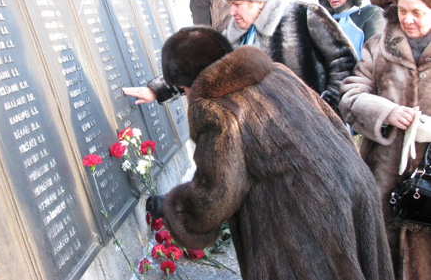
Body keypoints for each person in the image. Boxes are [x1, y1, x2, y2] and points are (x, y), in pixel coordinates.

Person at [146, 26, 394, 280]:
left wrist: (172, 207)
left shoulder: (216, 109)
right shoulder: (277, 73)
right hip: (353, 186)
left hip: (307, 216)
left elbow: (217, 193)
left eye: (183, 89)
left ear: (191, 80)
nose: (187, 96)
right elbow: (334, 124)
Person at [123, 0, 357, 114]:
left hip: (315, 134)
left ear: (258, 0)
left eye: (237, 4)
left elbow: (344, 61)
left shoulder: (303, 15)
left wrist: (325, 110)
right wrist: (156, 90)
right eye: (229, 4)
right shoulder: (236, 33)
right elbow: (200, 67)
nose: (232, 11)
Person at [339, 0, 431, 280]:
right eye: (402, 11)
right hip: (382, 183)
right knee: (379, 263)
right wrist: (385, 112)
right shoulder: (380, 46)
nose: (408, 20)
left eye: (417, 13)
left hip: (428, 187)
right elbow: (350, 95)